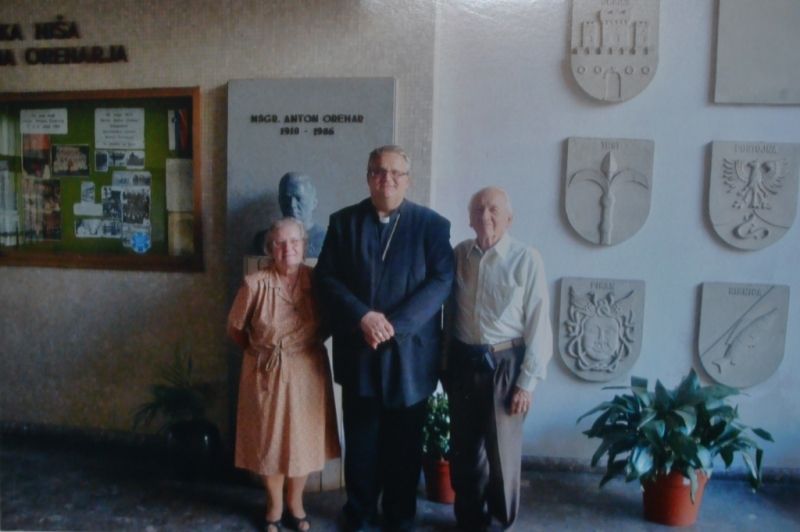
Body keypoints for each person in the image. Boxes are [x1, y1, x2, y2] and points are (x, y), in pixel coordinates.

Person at [315, 145, 454, 531]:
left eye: (395, 173)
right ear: (368, 177)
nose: (386, 179)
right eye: (378, 171)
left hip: (410, 356)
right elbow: (325, 277)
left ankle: (400, 516)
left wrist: (395, 324)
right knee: (362, 444)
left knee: (404, 446)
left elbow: (442, 280)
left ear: (407, 180)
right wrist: (363, 316)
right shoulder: (344, 223)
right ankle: (359, 513)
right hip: (360, 350)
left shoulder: (431, 225)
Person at [446, 187, 553, 531]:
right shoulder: (459, 255)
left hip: (505, 366)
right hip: (464, 363)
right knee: (464, 454)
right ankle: (469, 522)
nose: (485, 216)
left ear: (509, 218)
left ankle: (500, 523)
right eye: (478, 209)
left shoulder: (526, 259)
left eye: (493, 209)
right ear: (469, 219)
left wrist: (527, 383)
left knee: (502, 457)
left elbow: (539, 323)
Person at [228, 217, 341, 532]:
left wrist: (304, 349)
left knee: (302, 441)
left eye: (293, 242)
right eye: (279, 243)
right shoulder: (254, 284)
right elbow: (235, 329)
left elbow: (331, 321)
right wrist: (262, 353)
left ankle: (296, 504)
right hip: (266, 372)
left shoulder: (318, 281)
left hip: (308, 370)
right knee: (270, 442)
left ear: (304, 246)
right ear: (270, 249)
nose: (287, 248)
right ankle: (274, 506)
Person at [253, 172, 327, 258]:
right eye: (286, 198)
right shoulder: (263, 240)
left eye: (299, 198)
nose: (292, 205)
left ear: (314, 203)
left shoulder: (328, 240)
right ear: (280, 201)